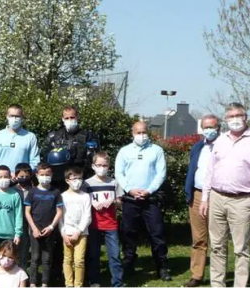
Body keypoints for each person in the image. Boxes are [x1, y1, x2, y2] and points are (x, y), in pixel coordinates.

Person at [199, 103, 250, 288]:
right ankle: (217, 285)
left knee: (241, 249)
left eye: (238, 115)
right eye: (230, 116)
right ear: (225, 120)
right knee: (216, 246)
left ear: (246, 117)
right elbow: (210, 171)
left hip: (242, 200)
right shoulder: (220, 140)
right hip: (216, 197)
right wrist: (205, 198)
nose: (235, 119)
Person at [115, 120, 171, 281]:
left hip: (150, 199)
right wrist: (130, 189)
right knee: (128, 234)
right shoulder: (124, 151)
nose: (142, 135)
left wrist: (148, 191)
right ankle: (129, 263)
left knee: (157, 234)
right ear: (132, 133)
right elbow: (119, 173)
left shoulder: (156, 150)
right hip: (130, 199)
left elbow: (161, 174)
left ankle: (162, 266)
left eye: (144, 132)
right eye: (138, 132)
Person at [183, 115, 221, 287]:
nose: (208, 130)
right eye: (205, 127)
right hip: (197, 195)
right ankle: (197, 275)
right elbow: (193, 168)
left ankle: (217, 276)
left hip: (218, 195)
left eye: (211, 127)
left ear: (218, 127)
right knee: (198, 238)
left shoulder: (225, 146)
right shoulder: (198, 146)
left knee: (218, 239)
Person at [84, 154, 122, 288]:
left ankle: (117, 282)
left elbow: (120, 203)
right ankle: (94, 281)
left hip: (111, 224)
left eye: (104, 165)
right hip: (93, 225)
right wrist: (91, 203)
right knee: (93, 255)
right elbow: (81, 202)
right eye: (99, 165)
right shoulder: (87, 183)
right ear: (93, 166)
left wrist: (113, 201)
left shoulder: (114, 182)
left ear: (109, 166)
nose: (102, 168)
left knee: (115, 255)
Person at [24, 162, 64, 287]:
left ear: (51, 175)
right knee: (35, 258)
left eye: (47, 174)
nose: (45, 177)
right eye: (42, 174)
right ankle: (33, 283)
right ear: (36, 175)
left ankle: (45, 283)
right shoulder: (32, 192)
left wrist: (52, 227)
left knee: (47, 259)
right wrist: (34, 228)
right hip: (35, 230)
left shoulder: (56, 192)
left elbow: (59, 211)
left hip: (50, 231)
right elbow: (27, 212)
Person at [42, 106, 101, 191]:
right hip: (59, 182)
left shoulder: (89, 136)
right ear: (63, 119)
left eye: (72, 117)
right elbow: (45, 160)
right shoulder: (53, 136)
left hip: (81, 179)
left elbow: (95, 160)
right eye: (67, 118)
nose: (69, 120)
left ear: (77, 117)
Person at [61, 167, 93, 288]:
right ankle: (69, 284)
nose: (77, 181)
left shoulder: (85, 196)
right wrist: (63, 234)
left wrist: (78, 232)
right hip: (66, 233)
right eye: (74, 179)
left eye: (79, 178)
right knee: (67, 259)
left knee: (79, 260)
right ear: (67, 180)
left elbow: (87, 216)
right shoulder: (62, 196)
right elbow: (60, 217)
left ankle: (78, 285)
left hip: (81, 233)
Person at [0, 104, 41, 176]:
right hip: (2, 180)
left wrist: (22, 174)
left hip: (23, 180)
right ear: (7, 116)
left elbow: (35, 161)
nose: (14, 119)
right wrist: (4, 173)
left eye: (17, 116)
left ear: (22, 117)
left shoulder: (30, 137)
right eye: (11, 116)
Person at [13, 163, 33, 269]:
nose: (24, 179)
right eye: (21, 176)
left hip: (28, 224)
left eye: (26, 176)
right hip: (14, 223)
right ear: (16, 176)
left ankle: (23, 271)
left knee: (24, 250)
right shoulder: (12, 190)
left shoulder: (33, 190)